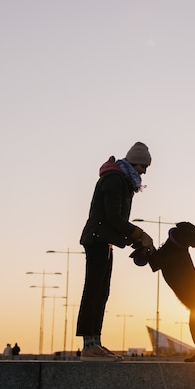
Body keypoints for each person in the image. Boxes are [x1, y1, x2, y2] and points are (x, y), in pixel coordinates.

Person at [76, 142, 154, 362]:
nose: (144, 171)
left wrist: (134, 239)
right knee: (93, 289)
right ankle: (88, 346)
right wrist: (140, 234)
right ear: (134, 161)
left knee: (102, 291)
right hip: (97, 239)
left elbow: (116, 222)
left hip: (105, 240)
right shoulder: (114, 179)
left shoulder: (123, 180)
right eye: (143, 166)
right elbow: (113, 218)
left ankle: (96, 343)